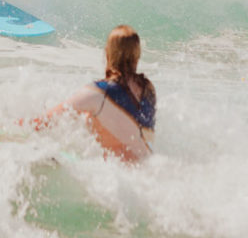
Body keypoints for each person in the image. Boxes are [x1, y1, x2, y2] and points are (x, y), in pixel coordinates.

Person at [31, 25, 156, 163]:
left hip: (120, 173)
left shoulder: (100, 93)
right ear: (137, 55)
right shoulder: (148, 89)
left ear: (108, 53)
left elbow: (45, 121)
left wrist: (14, 129)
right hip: (148, 167)